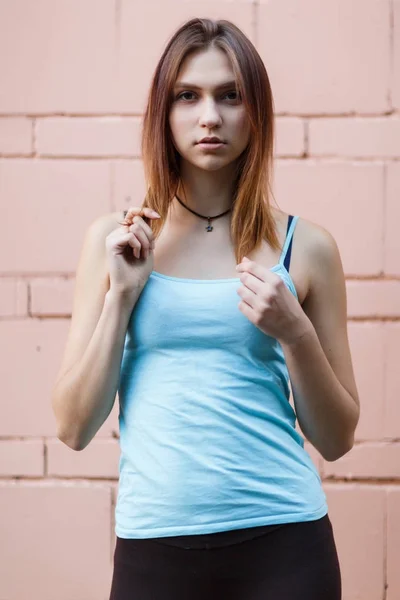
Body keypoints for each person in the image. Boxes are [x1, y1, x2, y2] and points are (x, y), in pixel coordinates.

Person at [52, 17, 360, 600]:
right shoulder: (114, 242)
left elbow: (338, 437)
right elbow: (72, 427)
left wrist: (295, 333)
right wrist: (122, 297)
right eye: (187, 96)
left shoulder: (307, 247)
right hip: (154, 548)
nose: (210, 116)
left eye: (230, 96)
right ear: (163, 114)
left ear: (256, 113)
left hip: (285, 546)